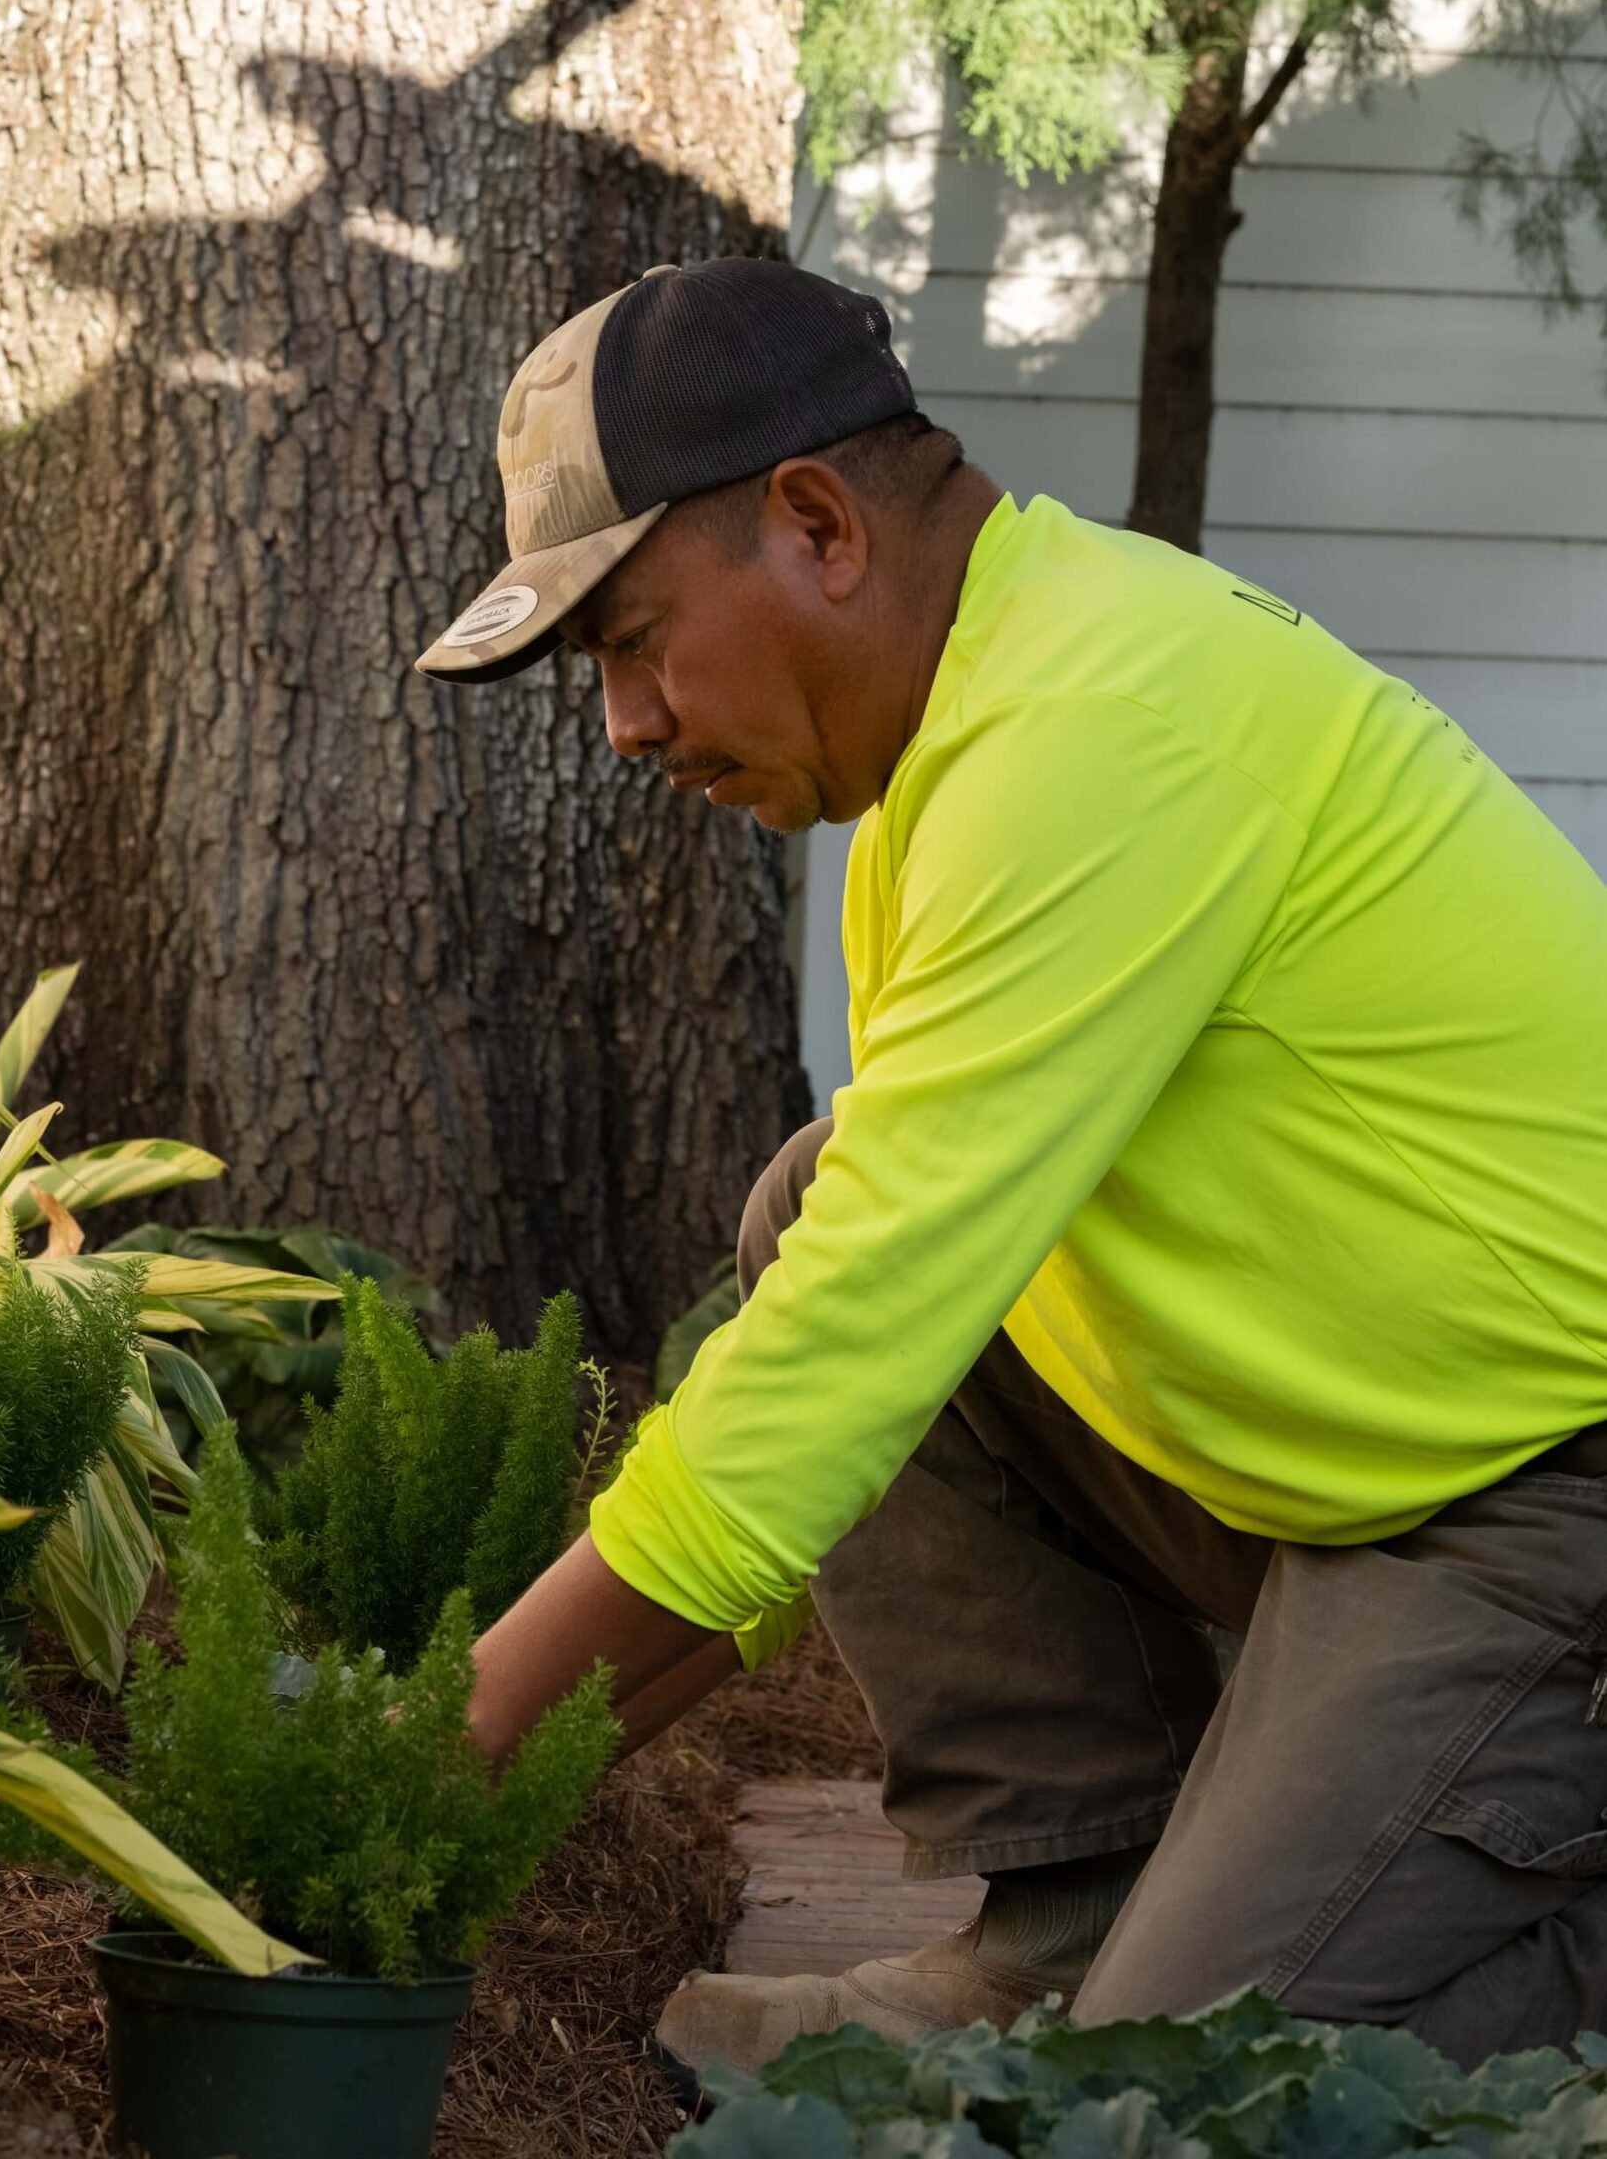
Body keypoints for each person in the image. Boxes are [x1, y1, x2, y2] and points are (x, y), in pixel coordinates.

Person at [415, 256, 1607, 2083]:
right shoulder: (962, 739)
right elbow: (856, 1346)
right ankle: (1071, 1927)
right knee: (819, 1209)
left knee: (1181, 2094)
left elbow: (835, 1374)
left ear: (815, 523)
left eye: (635, 640)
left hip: (1546, 1500)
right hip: (1366, 1460)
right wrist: (485, 1790)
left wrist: (427, 1759)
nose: (628, 726)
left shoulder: (1098, 726)